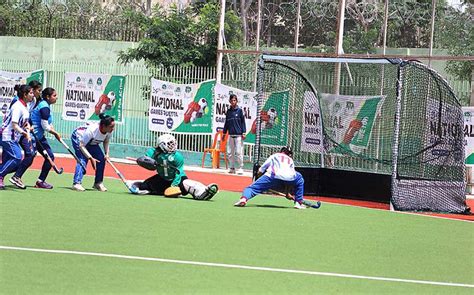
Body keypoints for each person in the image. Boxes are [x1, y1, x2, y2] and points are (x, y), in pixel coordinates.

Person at [129, 133, 219, 201]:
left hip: (178, 178)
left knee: (187, 184)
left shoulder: (178, 156)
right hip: (162, 178)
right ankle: (136, 183)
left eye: (173, 143)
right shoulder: (153, 152)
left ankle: (203, 191)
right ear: (162, 145)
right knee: (144, 186)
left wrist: (173, 186)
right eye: (169, 144)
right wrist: (146, 161)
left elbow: (178, 172)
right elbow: (143, 159)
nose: (173, 146)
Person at [234, 146, 307, 209]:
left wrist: (260, 179)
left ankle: (243, 199)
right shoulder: (290, 160)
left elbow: (261, 170)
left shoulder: (274, 155)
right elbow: (288, 176)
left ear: (281, 151)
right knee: (299, 179)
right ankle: (298, 203)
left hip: (272, 176)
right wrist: (287, 192)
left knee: (251, 188)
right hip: (290, 178)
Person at [7, 81, 42, 189]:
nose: (39, 93)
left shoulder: (34, 100)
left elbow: (27, 116)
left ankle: (16, 176)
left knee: (31, 154)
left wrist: (28, 125)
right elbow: (13, 118)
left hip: (23, 131)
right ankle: (1, 177)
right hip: (12, 132)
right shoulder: (16, 102)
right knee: (12, 158)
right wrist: (23, 130)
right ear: (27, 92)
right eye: (38, 91)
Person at [0, 85, 34, 189]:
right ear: (25, 95)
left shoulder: (25, 106)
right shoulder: (17, 106)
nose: (33, 95)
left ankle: (1, 178)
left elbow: (24, 122)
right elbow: (14, 124)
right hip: (7, 135)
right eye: (31, 93)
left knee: (9, 160)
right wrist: (25, 133)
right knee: (17, 157)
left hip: (14, 137)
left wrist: (27, 127)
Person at [26, 87, 61, 189]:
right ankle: (10, 175)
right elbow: (45, 126)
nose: (56, 98)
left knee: (50, 156)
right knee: (29, 158)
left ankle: (40, 181)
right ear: (48, 97)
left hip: (40, 137)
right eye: (54, 96)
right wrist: (55, 133)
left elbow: (49, 123)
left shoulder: (47, 106)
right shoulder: (44, 107)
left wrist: (53, 129)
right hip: (32, 137)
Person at [70, 113, 115, 192]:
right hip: (79, 138)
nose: (113, 129)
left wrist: (107, 154)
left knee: (101, 159)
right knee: (83, 159)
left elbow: (106, 141)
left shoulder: (109, 131)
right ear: (104, 126)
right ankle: (76, 183)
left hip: (92, 142)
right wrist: (90, 157)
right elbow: (81, 145)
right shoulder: (92, 130)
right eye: (111, 127)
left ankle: (98, 183)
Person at [222, 94, 246, 175]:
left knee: (238, 152)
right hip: (230, 135)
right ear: (229, 101)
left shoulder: (239, 111)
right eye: (231, 100)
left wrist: (244, 132)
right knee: (229, 152)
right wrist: (224, 133)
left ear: (236, 101)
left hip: (238, 135)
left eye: (234, 100)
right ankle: (232, 168)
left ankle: (240, 167)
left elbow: (243, 122)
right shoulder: (228, 112)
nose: (233, 102)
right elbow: (226, 123)